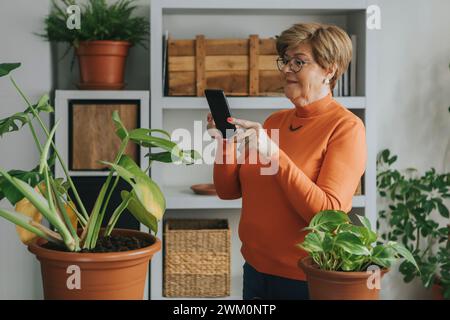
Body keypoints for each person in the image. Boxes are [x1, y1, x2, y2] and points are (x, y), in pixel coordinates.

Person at [206, 23, 367, 300]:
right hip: (255, 272)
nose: (287, 69)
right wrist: (225, 143)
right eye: (286, 61)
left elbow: (327, 216)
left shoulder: (346, 127)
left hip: (302, 281)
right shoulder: (275, 121)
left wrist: (275, 155)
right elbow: (228, 190)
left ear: (329, 69)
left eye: (299, 62)